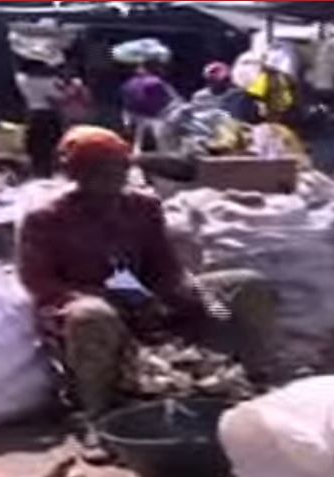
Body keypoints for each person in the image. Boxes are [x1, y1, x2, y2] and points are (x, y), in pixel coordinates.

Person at [17, 126, 277, 450]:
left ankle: (251, 378)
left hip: (144, 297)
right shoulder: (46, 219)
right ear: (77, 174)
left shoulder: (142, 208)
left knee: (245, 286)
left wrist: (180, 290)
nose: (114, 177)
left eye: (120, 168)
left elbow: (164, 265)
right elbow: (40, 283)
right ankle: (98, 415)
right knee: (91, 316)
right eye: (100, 170)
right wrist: (107, 296)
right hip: (87, 305)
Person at [15, 58, 65, 177]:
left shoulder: (22, 79)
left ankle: (35, 171)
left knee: (34, 145)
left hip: (33, 113)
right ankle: (48, 172)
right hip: (49, 115)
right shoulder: (51, 81)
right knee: (51, 145)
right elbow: (58, 99)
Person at [121, 60, 181, 152]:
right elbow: (172, 103)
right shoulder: (156, 83)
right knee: (166, 151)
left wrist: (127, 124)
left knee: (138, 149)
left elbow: (127, 107)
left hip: (138, 122)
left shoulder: (128, 84)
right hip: (161, 121)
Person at [191, 61, 260, 123]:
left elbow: (251, 116)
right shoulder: (200, 97)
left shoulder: (239, 95)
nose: (218, 83)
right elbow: (197, 118)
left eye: (225, 80)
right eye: (212, 80)